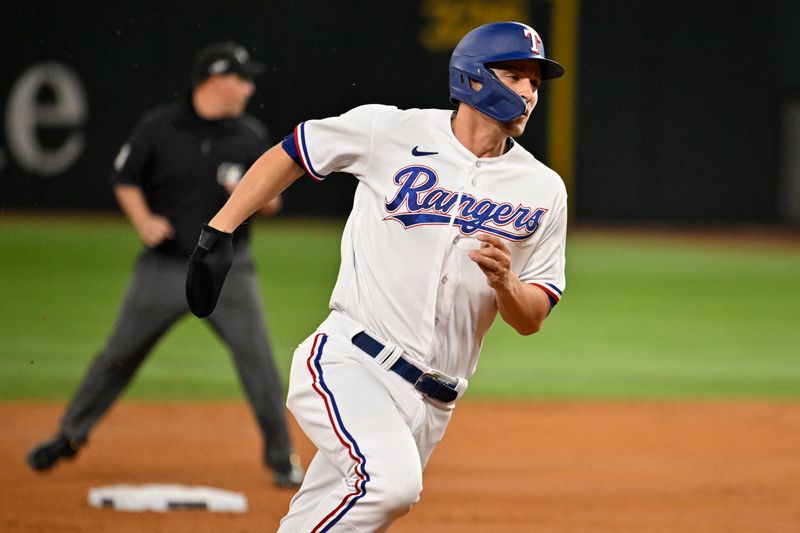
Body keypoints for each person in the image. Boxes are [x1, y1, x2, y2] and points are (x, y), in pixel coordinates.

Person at [186, 22, 567, 530]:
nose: (527, 93)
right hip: (351, 362)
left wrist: (507, 285)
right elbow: (297, 150)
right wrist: (220, 230)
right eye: (516, 75)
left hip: (434, 403)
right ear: (474, 78)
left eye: (535, 84)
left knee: (323, 516)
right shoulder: (392, 131)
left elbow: (531, 316)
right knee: (391, 486)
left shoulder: (543, 189)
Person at [26, 41, 304, 488]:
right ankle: (69, 435)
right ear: (216, 80)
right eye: (242, 78)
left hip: (227, 270)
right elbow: (126, 178)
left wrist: (259, 198)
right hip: (163, 266)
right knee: (118, 356)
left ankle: (281, 459)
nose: (249, 87)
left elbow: (274, 204)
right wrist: (143, 220)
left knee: (258, 362)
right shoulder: (160, 126)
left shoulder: (249, 135)